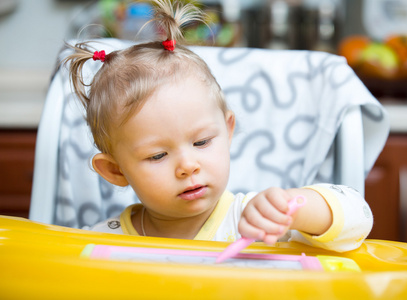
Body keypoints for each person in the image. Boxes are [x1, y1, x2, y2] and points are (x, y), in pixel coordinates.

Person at [63, 0, 373, 252]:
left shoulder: (256, 221)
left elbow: (359, 219)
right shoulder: (104, 243)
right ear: (116, 171)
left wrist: (295, 208)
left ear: (227, 131)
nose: (188, 166)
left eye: (201, 142)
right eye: (158, 155)